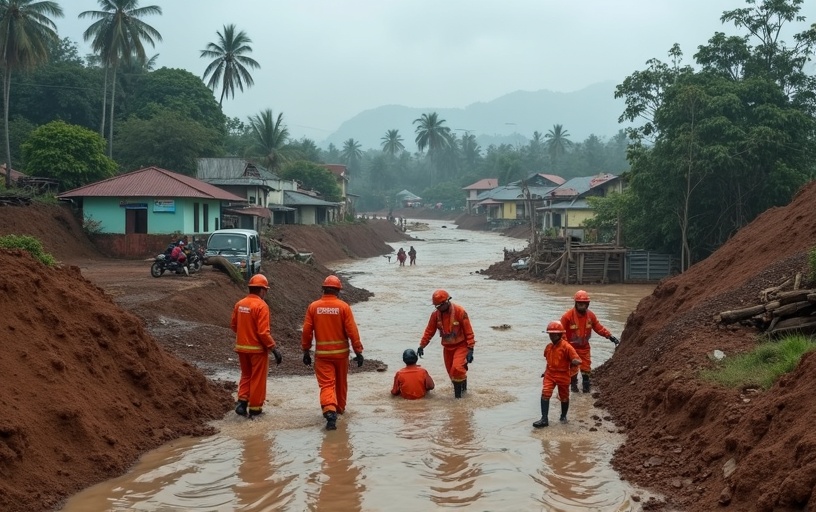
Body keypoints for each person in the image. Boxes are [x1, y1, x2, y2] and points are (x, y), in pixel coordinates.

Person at [301, 275, 364, 430]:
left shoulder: (314, 307)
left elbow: (307, 331)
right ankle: (340, 410)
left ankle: (330, 411)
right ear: (338, 291)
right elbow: (352, 331)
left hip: (322, 355)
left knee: (327, 384)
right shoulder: (343, 307)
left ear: (323, 289)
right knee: (341, 384)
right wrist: (358, 351)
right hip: (341, 355)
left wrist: (306, 350)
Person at [230, 274, 282, 418]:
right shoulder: (261, 306)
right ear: (262, 290)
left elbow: (234, 326)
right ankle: (255, 409)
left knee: (246, 375)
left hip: (241, 348)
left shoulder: (240, 304)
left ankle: (242, 403)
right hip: (258, 350)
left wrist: (245, 334)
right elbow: (263, 333)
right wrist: (273, 348)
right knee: (258, 378)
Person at [417, 289, 476, 398]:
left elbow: (469, 332)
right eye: (436, 306)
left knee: (457, 368)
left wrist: (470, 349)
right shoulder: (435, 315)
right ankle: (463, 394)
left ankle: (458, 399)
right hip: (447, 348)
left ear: (446, 302)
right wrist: (422, 345)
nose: (438, 308)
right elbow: (429, 331)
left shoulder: (460, 312)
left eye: (439, 306)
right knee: (452, 373)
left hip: (461, 346)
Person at [560, 290, 620, 393]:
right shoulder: (567, 316)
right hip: (571, 348)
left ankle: (586, 391)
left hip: (584, 348)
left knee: (586, 369)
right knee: (573, 370)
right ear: (576, 303)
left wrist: (610, 337)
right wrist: (566, 347)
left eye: (584, 304)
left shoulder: (591, 316)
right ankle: (574, 390)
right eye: (580, 304)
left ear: (587, 304)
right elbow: (561, 332)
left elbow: (598, 327)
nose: (582, 306)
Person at [533, 321, 582, 428]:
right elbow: (548, 362)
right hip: (550, 374)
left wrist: (574, 362)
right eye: (550, 334)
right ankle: (544, 419)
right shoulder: (549, 347)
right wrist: (545, 372)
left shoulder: (567, 347)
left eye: (554, 334)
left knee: (564, 397)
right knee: (545, 393)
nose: (551, 336)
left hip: (563, 375)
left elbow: (578, 360)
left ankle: (563, 416)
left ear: (559, 334)